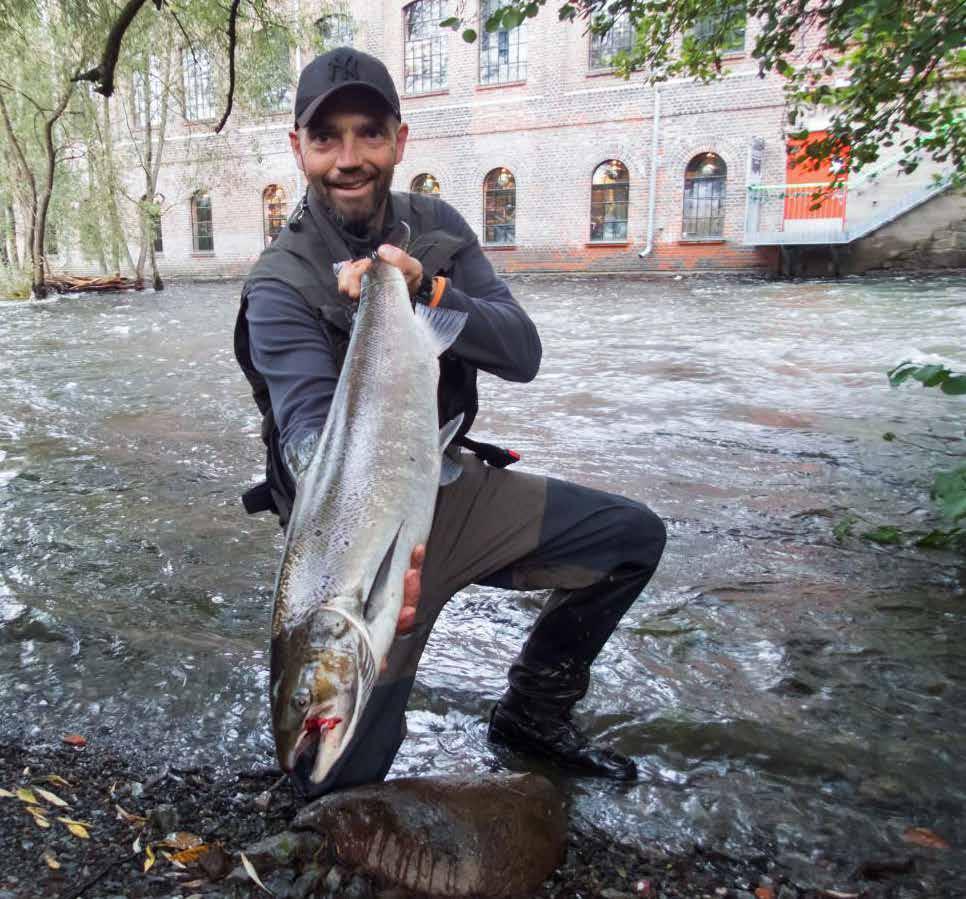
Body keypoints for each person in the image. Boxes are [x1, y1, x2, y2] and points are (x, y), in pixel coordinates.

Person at [234, 47, 667, 799]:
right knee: (330, 776)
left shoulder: (439, 229)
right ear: (298, 148)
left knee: (632, 541)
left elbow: (522, 351)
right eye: (326, 138)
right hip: (346, 532)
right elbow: (308, 437)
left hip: (448, 482)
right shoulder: (279, 284)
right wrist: (367, 563)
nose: (349, 158)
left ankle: (532, 716)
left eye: (368, 134)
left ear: (399, 141)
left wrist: (423, 287)